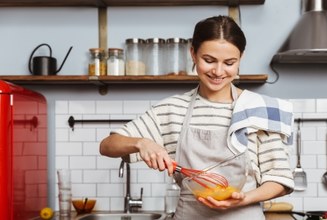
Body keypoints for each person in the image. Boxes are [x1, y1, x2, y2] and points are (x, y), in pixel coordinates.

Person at [100, 15, 294, 219]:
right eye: (209, 60)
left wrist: (243, 198)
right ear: (193, 53)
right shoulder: (172, 109)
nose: (218, 71)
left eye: (229, 62)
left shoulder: (259, 108)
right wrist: (141, 143)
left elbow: (279, 179)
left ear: (241, 58)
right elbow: (107, 145)